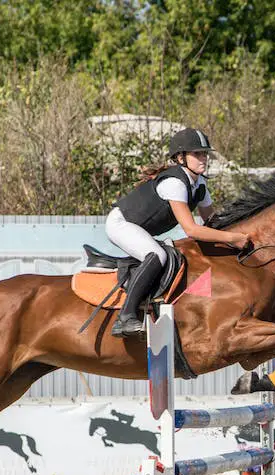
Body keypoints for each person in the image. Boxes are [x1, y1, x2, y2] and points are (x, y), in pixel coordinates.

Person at [105, 128, 251, 337]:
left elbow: (212, 223)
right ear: (181, 157)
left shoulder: (199, 184)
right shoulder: (174, 183)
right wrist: (232, 238)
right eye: (198, 154)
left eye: (205, 154)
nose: (204, 158)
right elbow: (192, 230)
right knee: (158, 255)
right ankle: (125, 318)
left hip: (141, 228)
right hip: (120, 223)